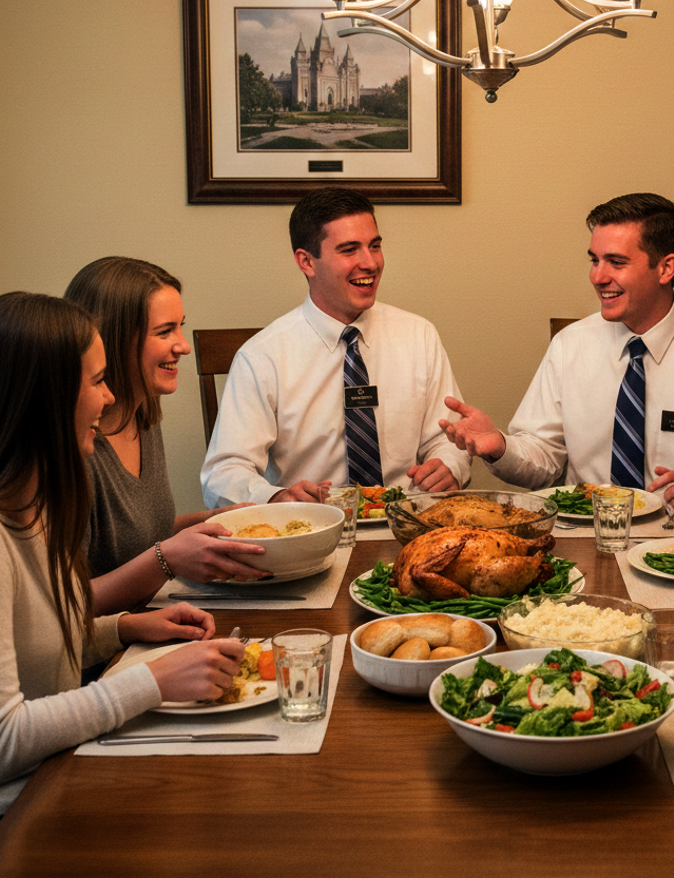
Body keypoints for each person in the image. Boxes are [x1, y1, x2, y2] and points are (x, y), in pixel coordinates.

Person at [0, 292, 245, 813]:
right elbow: (6, 739)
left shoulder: (39, 506)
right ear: (46, 398)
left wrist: (125, 629)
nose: (110, 399)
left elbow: (42, 645)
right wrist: (153, 681)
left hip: (62, 765)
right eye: (95, 382)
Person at [439, 193, 674, 511]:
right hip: (586, 538)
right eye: (594, 260)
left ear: (666, 267)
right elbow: (545, 460)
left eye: (616, 262)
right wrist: (499, 446)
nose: (598, 276)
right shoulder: (570, 345)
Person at [201, 187, 470, 507]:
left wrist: (448, 464)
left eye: (375, 246)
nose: (370, 263)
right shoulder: (263, 356)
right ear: (307, 262)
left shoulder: (418, 336)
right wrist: (276, 497)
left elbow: (450, 437)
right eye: (349, 250)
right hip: (311, 530)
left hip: (407, 523)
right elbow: (224, 472)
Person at [65, 258, 267, 612]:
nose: (183, 346)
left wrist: (217, 522)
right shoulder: (74, 447)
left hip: (154, 614)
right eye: (165, 332)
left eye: (181, 328)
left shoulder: (143, 414)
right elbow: (65, 606)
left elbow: (136, 535)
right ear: (113, 340)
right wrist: (166, 560)